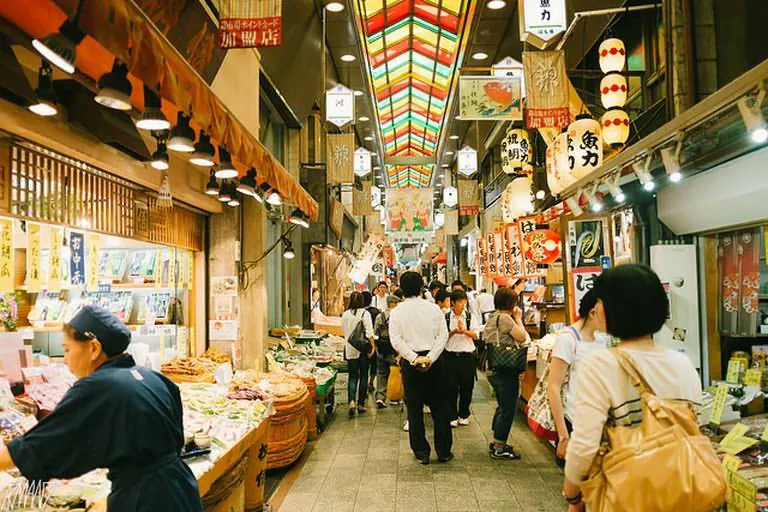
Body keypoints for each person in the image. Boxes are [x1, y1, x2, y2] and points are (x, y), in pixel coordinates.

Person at [0, 305, 202, 511]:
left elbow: (42, 445)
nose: (65, 358)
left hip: (145, 499)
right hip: (181, 487)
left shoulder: (98, 386)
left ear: (94, 348)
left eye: (68, 349)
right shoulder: (153, 377)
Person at [563, 265, 702, 511]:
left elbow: (584, 446)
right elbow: (694, 428)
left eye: (601, 302)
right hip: (678, 491)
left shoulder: (600, 364)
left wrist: (572, 495)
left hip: (624, 495)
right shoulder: (683, 364)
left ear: (610, 310)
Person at [390, 271, 452, 465]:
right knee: (440, 407)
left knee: (414, 409)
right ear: (420, 288)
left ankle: (421, 452)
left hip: (411, 364)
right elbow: (444, 335)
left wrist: (413, 358)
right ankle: (443, 451)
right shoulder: (434, 309)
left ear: (402, 289)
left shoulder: (397, 312)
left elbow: (396, 339)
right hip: (434, 363)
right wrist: (431, 357)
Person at [546, 289, 607, 460]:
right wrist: (563, 435)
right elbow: (553, 387)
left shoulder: (603, 339)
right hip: (575, 423)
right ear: (593, 312)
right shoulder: (568, 339)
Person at [482, 287, 529, 460]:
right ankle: (499, 447)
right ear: (512, 303)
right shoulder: (506, 319)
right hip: (506, 369)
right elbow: (522, 337)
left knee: (503, 405)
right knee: (508, 408)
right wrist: (518, 318)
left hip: (494, 368)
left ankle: (497, 441)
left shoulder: (493, 317)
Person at [444, 290, 479, 428]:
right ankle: (452, 415)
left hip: (466, 356)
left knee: (467, 386)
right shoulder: (446, 317)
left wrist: (464, 331)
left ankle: (464, 414)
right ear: (453, 303)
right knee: (450, 387)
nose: (462, 305)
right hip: (450, 356)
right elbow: (441, 337)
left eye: (464, 301)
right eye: (459, 302)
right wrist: (453, 332)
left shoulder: (470, 317)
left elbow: (476, 335)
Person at [342, 292, 375, 416]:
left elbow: (345, 332)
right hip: (362, 350)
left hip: (350, 349)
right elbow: (369, 332)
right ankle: (361, 404)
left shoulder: (345, 314)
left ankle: (351, 401)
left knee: (353, 376)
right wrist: (372, 346)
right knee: (364, 376)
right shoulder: (365, 314)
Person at [374, 294, 403, 408]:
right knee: (395, 373)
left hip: (382, 348)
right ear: (394, 304)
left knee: (381, 373)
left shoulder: (379, 316)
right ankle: (395, 397)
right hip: (394, 349)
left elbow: (375, 333)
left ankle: (380, 398)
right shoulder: (398, 316)